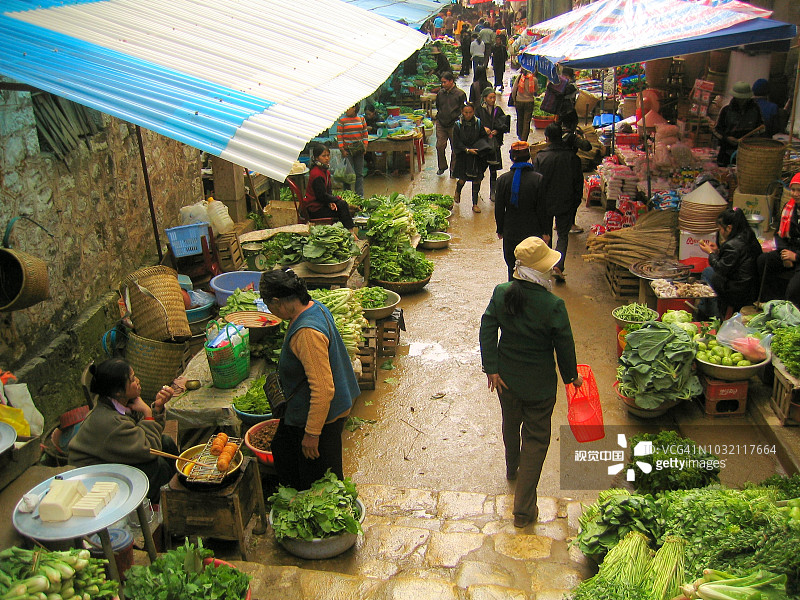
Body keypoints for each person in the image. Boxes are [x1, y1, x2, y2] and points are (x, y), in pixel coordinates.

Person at [479, 237, 581, 528]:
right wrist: (572, 377)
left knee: (511, 424)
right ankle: (523, 510)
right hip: (540, 386)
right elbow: (565, 345)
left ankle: (512, 467)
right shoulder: (552, 305)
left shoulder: (502, 293)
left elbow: (487, 326)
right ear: (542, 271)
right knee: (535, 441)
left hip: (506, 380)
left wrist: (492, 368)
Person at [259, 268, 360, 491]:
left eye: (269, 306)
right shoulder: (315, 307)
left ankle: (325, 514)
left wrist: (312, 435)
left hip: (324, 416)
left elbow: (323, 390)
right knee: (283, 448)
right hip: (316, 409)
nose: (270, 311)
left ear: (277, 302)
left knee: (321, 477)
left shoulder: (307, 333)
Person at [68, 359, 177, 502]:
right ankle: (164, 505)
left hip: (112, 457)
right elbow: (150, 449)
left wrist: (157, 408)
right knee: (157, 466)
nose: (137, 381)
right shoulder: (111, 422)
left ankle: (179, 488)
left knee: (166, 443)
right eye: (132, 379)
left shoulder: (117, 403)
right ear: (118, 392)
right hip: (94, 475)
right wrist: (148, 412)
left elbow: (142, 434)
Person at [533, 123, 583, 282]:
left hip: (545, 203)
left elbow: (535, 183)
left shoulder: (540, 157)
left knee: (545, 235)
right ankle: (558, 266)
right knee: (563, 235)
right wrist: (575, 202)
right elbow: (578, 183)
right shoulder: (572, 157)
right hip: (566, 202)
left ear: (546, 138)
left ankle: (547, 266)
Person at [494, 142, 549, 280]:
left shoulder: (503, 180)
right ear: (529, 157)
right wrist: (545, 232)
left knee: (513, 267)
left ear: (512, 158)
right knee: (532, 268)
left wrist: (500, 229)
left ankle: (514, 295)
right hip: (533, 232)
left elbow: (499, 208)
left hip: (511, 231)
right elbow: (543, 209)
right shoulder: (538, 180)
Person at [698, 208, 762, 318]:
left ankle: (712, 315)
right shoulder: (749, 236)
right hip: (751, 287)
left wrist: (710, 253)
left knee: (708, 274)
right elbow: (734, 261)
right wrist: (718, 251)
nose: (720, 233)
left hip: (738, 289)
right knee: (710, 273)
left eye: (720, 229)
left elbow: (720, 268)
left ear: (729, 228)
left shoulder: (733, 244)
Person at [757, 173, 800, 306]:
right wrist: (785, 254)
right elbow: (779, 235)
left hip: (798, 255)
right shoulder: (789, 208)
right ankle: (771, 302)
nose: (795, 194)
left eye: (799, 190)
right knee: (764, 261)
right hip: (789, 250)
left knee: (793, 290)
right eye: (793, 190)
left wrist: (796, 257)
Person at [302, 143, 356, 230]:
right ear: (316, 158)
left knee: (341, 205)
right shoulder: (317, 174)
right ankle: (351, 232)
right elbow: (321, 196)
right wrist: (336, 199)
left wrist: (331, 202)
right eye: (323, 156)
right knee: (342, 205)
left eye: (328, 155)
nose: (327, 158)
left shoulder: (325, 171)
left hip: (322, 204)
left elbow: (328, 191)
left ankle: (348, 231)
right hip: (314, 209)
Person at [712, 81, 764, 167]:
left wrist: (749, 139)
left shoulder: (755, 110)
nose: (741, 101)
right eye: (739, 98)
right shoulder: (726, 110)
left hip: (747, 152)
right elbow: (716, 130)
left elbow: (761, 128)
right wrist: (727, 138)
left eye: (744, 98)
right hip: (726, 153)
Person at [453, 102, 491, 212]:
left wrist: (481, 147)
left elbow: (483, 137)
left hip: (476, 155)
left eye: (470, 112)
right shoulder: (457, 125)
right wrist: (466, 150)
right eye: (466, 112)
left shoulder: (478, 123)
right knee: (462, 179)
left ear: (473, 112)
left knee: (477, 179)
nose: (468, 115)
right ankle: (458, 191)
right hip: (464, 155)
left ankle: (475, 204)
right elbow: (456, 142)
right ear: (462, 112)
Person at [476, 88, 510, 202]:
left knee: (493, 169)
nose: (492, 100)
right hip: (483, 144)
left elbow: (504, 124)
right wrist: (483, 129)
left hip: (494, 144)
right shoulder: (479, 110)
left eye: (494, 97)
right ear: (484, 98)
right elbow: (474, 124)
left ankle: (493, 192)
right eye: (490, 97)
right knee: (480, 169)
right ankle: (476, 193)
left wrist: (497, 130)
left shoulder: (498, 110)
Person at [435, 71, 467, 177]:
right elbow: (438, 106)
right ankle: (442, 166)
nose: (443, 85)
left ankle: (454, 169)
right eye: (442, 83)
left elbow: (464, 110)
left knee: (456, 148)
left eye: (444, 82)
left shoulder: (460, 94)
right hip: (441, 123)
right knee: (440, 145)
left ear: (451, 81)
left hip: (454, 124)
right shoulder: (440, 93)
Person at [336, 104, 369, 198]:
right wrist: (342, 149)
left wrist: (365, 146)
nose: (346, 109)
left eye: (349, 107)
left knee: (359, 174)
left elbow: (365, 134)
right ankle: (347, 195)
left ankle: (360, 196)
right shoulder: (342, 120)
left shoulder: (361, 119)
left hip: (359, 149)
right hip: (347, 150)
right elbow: (339, 136)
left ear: (354, 108)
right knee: (347, 175)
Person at [511, 69, 537, 141]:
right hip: (529, 102)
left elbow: (514, 90)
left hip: (519, 101)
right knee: (526, 121)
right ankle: (524, 139)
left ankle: (520, 135)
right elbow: (536, 90)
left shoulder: (519, 78)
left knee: (520, 119)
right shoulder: (534, 79)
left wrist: (514, 99)